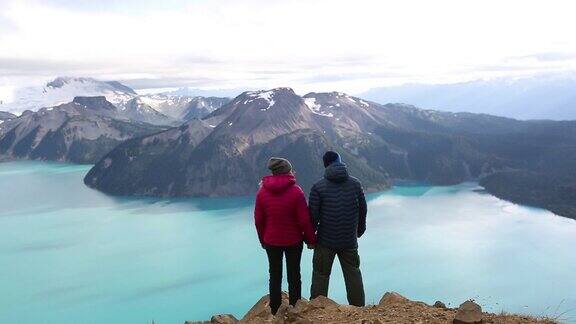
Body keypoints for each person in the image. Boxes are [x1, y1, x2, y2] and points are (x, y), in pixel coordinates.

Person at [254, 157, 317, 314]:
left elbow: (258, 220)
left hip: (271, 240)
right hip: (293, 241)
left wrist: (262, 239)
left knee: (274, 275)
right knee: (294, 274)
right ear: (288, 171)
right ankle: (295, 308)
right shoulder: (296, 191)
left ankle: (275, 310)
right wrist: (311, 240)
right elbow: (304, 220)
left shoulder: (262, 192)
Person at [309, 151, 367, 306]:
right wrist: (359, 231)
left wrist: (310, 239)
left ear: (325, 165)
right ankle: (359, 310)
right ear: (340, 162)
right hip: (349, 240)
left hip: (325, 242)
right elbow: (363, 209)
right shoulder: (356, 184)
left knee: (321, 275)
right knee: (353, 274)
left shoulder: (318, 187)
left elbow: (312, 217)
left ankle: (317, 310)